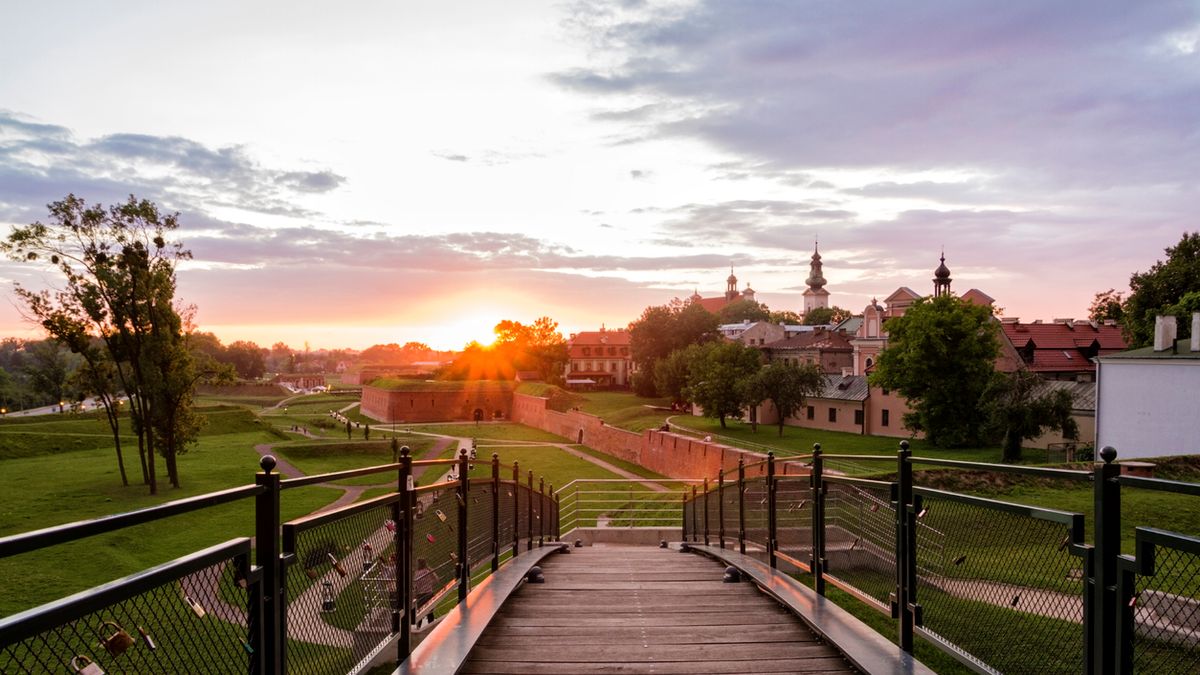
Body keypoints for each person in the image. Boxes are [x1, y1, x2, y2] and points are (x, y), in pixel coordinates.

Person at [413, 557, 438, 628]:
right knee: (430, 613)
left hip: (420, 595)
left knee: (420, 613)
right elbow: (436, 580)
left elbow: (416, 586)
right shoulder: (428, 571)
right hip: (429, 593)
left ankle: (418, 628)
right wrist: (429, 584)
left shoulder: (416, 573)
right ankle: (431, 627)